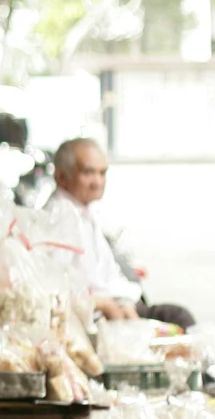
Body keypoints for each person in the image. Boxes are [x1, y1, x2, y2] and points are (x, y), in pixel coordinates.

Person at [41, 138, 193, 328]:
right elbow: (55, 293)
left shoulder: (85, 213)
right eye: (89, 173)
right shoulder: (57, 220)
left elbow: (109, 276)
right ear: (62, 176)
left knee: (177, 316)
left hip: (120, 305)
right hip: (97, 317)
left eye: (102, 173)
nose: (98, 182)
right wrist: (107, 305)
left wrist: (124, 304)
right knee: (180, 319)